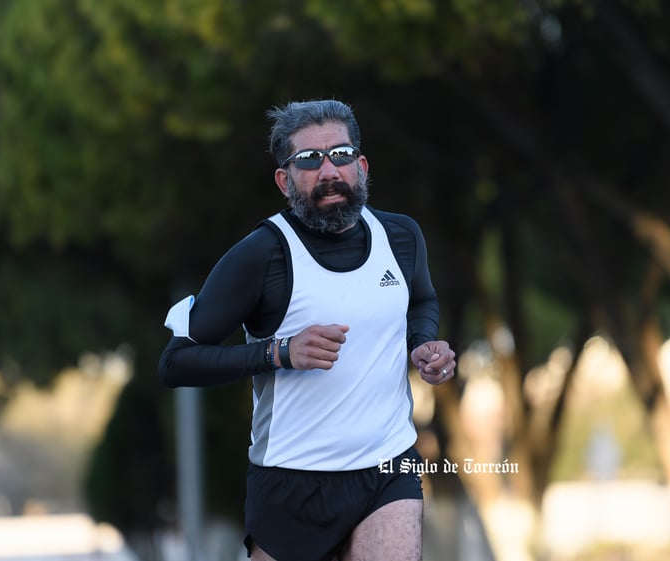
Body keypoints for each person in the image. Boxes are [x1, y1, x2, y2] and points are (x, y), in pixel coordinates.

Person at [159, 99, 455, 561]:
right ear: (284, 180)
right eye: (308, 160)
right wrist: (279, 352)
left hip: (387, 465)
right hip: (291, 482)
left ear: (361, 165)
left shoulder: (401, 237)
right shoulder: (260, 255)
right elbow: (176, 363)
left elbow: (420, 300)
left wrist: (423, 343)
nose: (328, 171)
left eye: (340, 155)